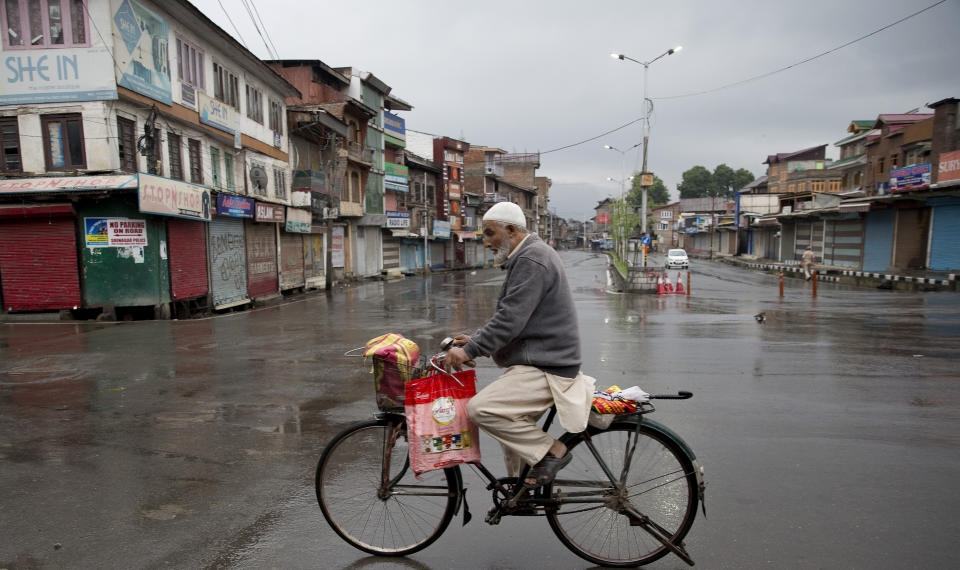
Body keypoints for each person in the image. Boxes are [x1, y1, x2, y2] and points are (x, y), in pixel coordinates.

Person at [445, 202, 595, 489]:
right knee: (510, 426)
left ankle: (553, 452)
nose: (485, 242)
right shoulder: (527, 257)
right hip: (539, 360)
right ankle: (522, 491)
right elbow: (513, 315)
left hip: (548, 366)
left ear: (511, 230)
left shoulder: (531, 259)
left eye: (490, 233)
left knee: (481, 409)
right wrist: (475, 340)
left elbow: (510, 318)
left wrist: (469, 351)